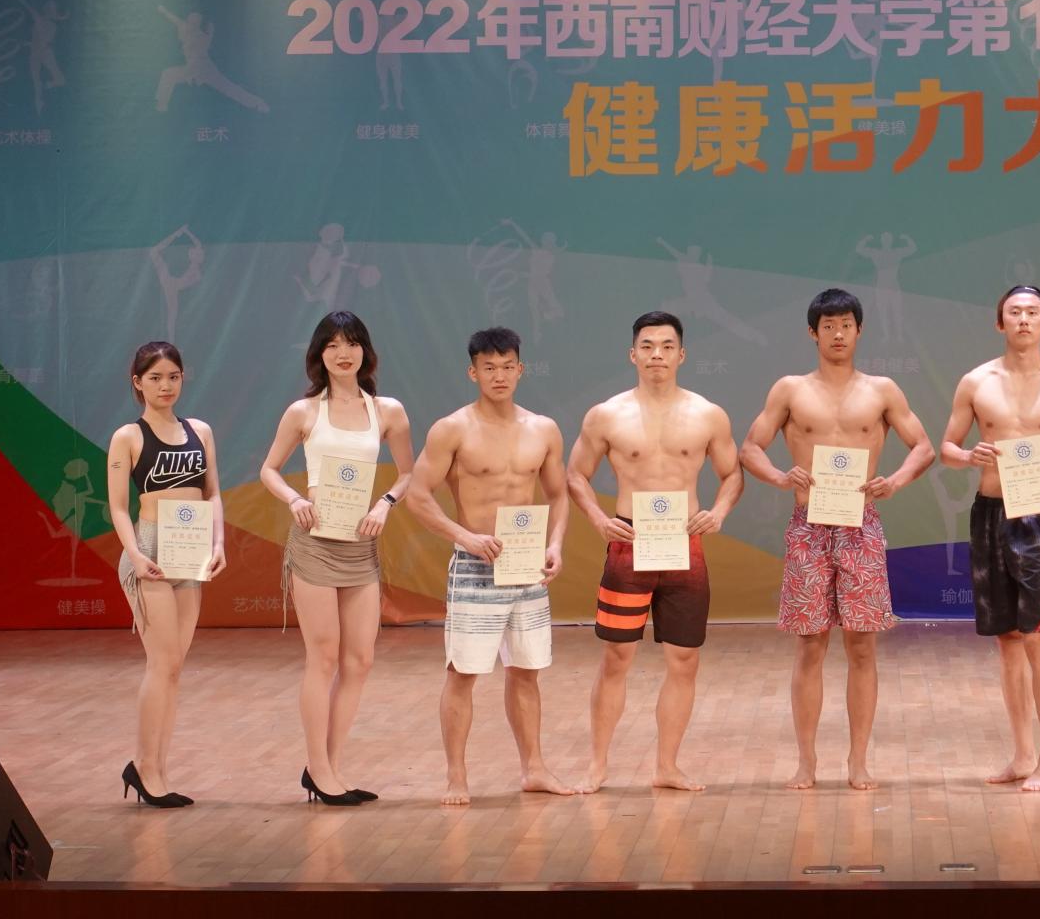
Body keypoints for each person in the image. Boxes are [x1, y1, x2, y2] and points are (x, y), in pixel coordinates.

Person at [739, 288, 936, 790]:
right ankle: (806, 761)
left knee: (862, 647)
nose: (838, 333)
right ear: (813, 333)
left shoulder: (882, 390)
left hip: (860, 526)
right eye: (828, 325)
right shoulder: (790, 390)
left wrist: (895, 481)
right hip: (808, 528)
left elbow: (923, 446)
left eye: (846, 324)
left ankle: (858, 760)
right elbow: (750, 448)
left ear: (859, 330)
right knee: (810, 646)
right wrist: (781, 476)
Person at [566, 311, 742, 793]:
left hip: (685, 544)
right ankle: (597, 765)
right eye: (647, 346)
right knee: (616, 658)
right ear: (633, 354)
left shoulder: (708, 414)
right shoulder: (606, 415)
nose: (657, 355)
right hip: (629, 541)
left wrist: (719, 512)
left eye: (666, 346)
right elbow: (576, 473)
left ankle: (667, 766)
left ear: (682, 355)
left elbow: (732, 473)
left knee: (684, 660)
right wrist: (597, 518)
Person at [937, 284, 1040, 793]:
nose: (1023, 319)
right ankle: (1023, 754)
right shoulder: (975, 382)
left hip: (1039, 519)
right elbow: (947, 448)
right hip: (989, 513)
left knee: (1038, 640)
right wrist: (968, 456)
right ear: (999, 322)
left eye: (1033, 312)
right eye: (1014, 312)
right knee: (1007, 640)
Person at [407, 327, 572, 805]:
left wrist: (555, 544)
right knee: (463, 673)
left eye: (507, 366)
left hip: (526, 567)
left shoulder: (543, 429)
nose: (499, 376)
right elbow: (417, 496)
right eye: (489, 367)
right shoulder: (452, 429)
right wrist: (466, 538)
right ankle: (456, 777)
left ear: (520, 369)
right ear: (473, 372)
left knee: (526, 670)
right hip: (475, 566)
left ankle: (534, 768)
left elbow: (558, 495)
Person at [259, 312, 415, 805]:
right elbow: (269, 470)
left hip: (360, 544)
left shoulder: (387, 411)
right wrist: (294, 499)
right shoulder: (303, 412)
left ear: (365, 350)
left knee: (360, 659)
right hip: (315, 543)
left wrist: (385, 504)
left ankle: (331, 767)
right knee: (323, 656)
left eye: (351, 343)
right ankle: (319, 769)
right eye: (332, 345)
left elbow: (407, 473)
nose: (343, 353)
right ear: (319, 354)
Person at [106, 341, 226, 807]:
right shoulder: (128, 436)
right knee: (161, 664)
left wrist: (218, 542)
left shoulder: (200, 431)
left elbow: (212, 493)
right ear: (137, 382)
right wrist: (135, 555)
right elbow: (118, 506)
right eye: (155, 378)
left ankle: (155, 767)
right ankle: (145, 768)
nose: (165, 386)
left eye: (173, 376)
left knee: (174, 668)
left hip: (190, 550)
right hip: (151, 550)